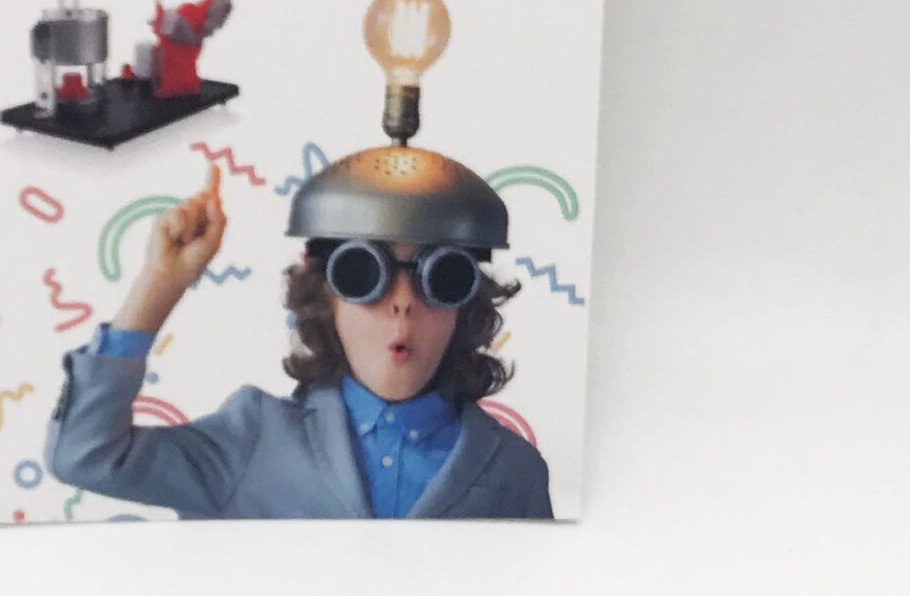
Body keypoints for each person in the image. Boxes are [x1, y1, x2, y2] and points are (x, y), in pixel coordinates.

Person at [45, 166, 553, 520]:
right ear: (324, 296)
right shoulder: (254, 439)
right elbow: (84, 454)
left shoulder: (512, 470)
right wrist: (160, 283)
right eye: (363, 275)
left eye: (441, 280)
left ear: (467, 303)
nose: (403, 303)